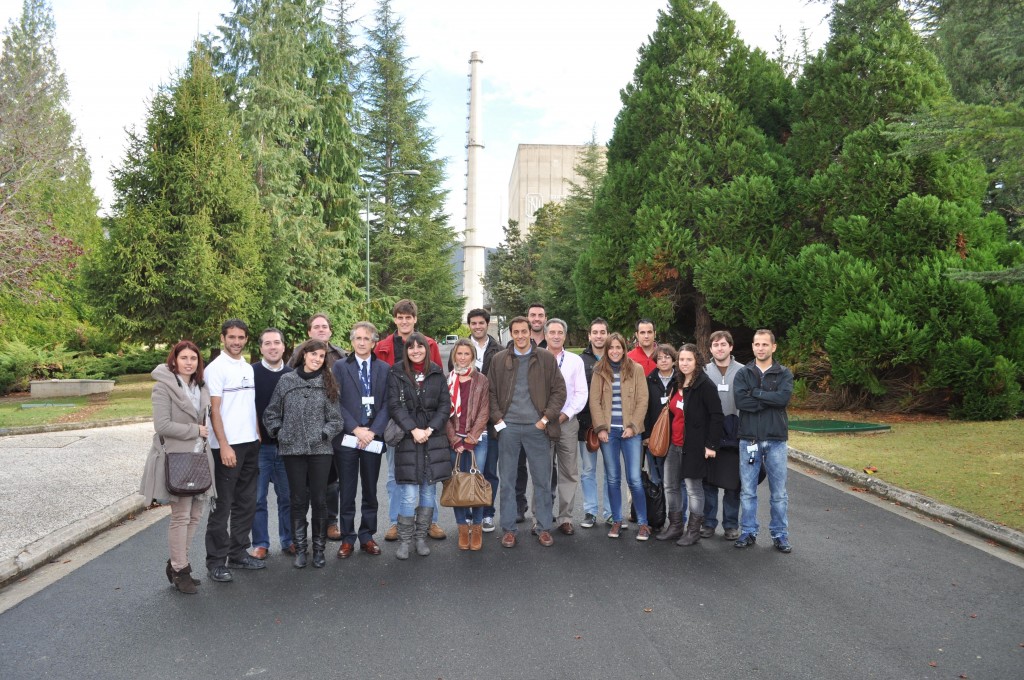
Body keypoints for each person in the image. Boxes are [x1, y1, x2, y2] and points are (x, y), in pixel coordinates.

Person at [140, 341, 214, 594]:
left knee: (195, 515)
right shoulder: (163, 387)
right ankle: (181, 569)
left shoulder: (200, 386)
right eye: (184, 357)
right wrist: (195, 430)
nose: (189, 362)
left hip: (199, 459)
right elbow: (162, 425)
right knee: (180, 516)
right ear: (174, 360)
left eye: (194, 358)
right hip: (176, 458)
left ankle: (176, 562)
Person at [263, 340, 344, 568]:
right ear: (304, 355)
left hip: (320, 450)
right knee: (297, 500)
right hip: (292, 450)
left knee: (319, 500)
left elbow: (336, 419)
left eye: (321, 356)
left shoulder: (328, 382)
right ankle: (300, 549)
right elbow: (271, 413)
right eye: (313, 355)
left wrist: (323, 434)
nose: (317, 359)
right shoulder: (286, 381)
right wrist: (279, 432)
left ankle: (318, 549)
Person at [488, 316, 566, 548]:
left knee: (542, 481)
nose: (521, 336)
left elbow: (559, 392)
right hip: (509, 429)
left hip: (537, 429)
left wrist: (544, 419)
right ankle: (509, 529)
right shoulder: (499, 359)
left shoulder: (545, 358)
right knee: (508, 481)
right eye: (516, 332)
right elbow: (490, 392)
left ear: (530, 333)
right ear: (511, 333)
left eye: (524, 331)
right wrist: (498, 420)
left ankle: (543, 527)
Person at [374, 299, 445, 542]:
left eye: (408, 317)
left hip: (425, 423)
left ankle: (431, 522)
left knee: (428, 472)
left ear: (415, 319)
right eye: (400, 317)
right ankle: (396, 521)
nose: (404, 321)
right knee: (396, 473)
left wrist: (429, 425)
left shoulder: (430, 345)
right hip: (396, 421)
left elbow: (438, 381)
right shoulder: (382, 347)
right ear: (394, 319)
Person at [205, 319, 265, 583]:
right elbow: (214, 410)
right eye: (232, 337)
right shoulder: (215, 369)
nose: (237, 341)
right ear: (223, 338)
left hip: (250, 443)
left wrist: (257, 434)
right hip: (227, 447)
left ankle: (238, 553)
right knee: (223, 506)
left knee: (246, 502)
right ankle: (216, 562)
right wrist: (224, 445)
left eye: (241, 337)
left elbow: (248, 404)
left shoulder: (246, 367)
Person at [386, 333, 452, 560]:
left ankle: (421, 537)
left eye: (420, 347)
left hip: (433, 438)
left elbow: (445, 405)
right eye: (411, 347)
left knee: (428, 490)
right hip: (407, 438)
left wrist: (429, 430)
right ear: (406, 351)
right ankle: (405, 540)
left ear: (426, 348)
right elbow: (394, 405)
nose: (416, 350)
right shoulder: (396, 372)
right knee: (408, 493)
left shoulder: (436, 371)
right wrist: (413, 429)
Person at [332, 322, 390, 559]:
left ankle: (367, 535)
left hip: (372, 439)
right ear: (352, 341)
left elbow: (388, 404)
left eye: (367, 339)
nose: (362, 342)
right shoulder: (339, 367)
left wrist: (372, 431)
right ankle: (347, 538)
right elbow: (335, 401)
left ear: (374, 342)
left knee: (370, 489)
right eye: (358, 338)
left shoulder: (384, 368)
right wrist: (356, 429)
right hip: (348, 437)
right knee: (346, 491)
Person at [734, 329, 794, 553]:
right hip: (749, 440)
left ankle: (780, 534)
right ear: (752, 347)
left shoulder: (784, 373)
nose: (761, 348)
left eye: (765, 344)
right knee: (748, 491)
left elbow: (783, 399)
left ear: (773, 347)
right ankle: (748, 531)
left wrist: (756, 394)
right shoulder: (743, 373)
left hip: (776, 440)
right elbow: (741, 401)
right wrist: (768, 399)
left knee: (778, 493)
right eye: (757, 344)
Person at [288, 313, 346, 541]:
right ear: (309, 332)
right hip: (302, 431)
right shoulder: (297, 354)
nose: (321, 330)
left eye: (325, 326)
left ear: (330, 331)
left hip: (331, 429)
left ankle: (330, 522)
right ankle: (301, 531)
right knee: (302, 485)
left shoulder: (340, 355)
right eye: (316, 326)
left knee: (331, 481)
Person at [658, 343, 723, 545]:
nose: (684, 363)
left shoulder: (705, 385)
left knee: (694, 489)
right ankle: (675, 526)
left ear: (697, 362)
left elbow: (716, 416)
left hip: (694, 447)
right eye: (682, 359)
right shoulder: (675, 383)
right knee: (670, 486)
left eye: (689, 360)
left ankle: (693, 531)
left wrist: (711, 445)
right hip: (673, 445)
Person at [589, 333, 650, 540]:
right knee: (613, 478)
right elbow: (594, 402)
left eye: (618, 347)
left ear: (624, 349)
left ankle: (643, 523)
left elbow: (643, 400)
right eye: (611, 347)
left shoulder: (636, 369)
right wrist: (601, 428)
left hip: (631, 432)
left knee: (634, 479)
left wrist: (633, 426)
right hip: (609, 432)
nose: (615, 351)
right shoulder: (599, 370)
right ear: (606, 350)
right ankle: (616, 520)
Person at [452, 308, 502, 532]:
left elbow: (489, 401)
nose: (478, 326)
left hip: (485, 429)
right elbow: (449, 406)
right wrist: (455, 437)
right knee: (461, 475)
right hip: (459, 432)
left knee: (484, 473)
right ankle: (466, 518)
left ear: (487, 324)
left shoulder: (498, 351)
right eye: (473, 323)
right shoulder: (452, 373)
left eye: (481, 322)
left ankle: (485, 515)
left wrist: (474, 434)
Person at [250, 328, 294, 560]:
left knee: (287, 497)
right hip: (260, 447)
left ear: (283, 346)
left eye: (277, 342)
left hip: (286, 448)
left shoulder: (292, 375)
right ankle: (260, 543)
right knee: (257, 499)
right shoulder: (251, 373)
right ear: (261, 348)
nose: (273, 347)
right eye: (267, 343)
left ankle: (288, 540)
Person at [445, 339, 491, 550]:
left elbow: (484, 410)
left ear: (473, 356)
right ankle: (463, 528)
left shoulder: (481, 380)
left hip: (477, 440)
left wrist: (471, 438)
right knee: (457, 483)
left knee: (476, 483)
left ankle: (478, 527)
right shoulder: (448, 380)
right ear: (454, 356)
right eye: (459, 354)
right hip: (454, 440)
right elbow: (443, 413)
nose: (462, 357)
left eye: (466, 354)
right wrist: (455, 440)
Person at [544, 318, 587, 535]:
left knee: (568, 471)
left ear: (565, 335)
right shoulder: (536, 358)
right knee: (542, 471)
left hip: (567, 423)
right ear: (545, 335)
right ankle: (540, 518)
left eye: (560, 332)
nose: (556, 336)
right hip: (542, 423)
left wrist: (564, 415)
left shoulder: (574, 361)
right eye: (552, 332)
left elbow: (581, 393)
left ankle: (565, 518)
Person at [701, 330, 742, 540]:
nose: (720, 348)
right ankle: (708, 523)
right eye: (715, 345)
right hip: (711, 434)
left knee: (732, 483)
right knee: (709, 482)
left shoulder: (744, 371)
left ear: (731, 347)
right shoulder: (704, 371)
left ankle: (731, 525)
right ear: (710, 349)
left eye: (723, 344)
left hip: (735, 434)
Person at [513, 302, 549, 522]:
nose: (536, 318)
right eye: (532, 315)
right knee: (517, 468)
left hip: (542, 421)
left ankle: (543, 512)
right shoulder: (510, 348)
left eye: (540, 315)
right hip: (516, 421)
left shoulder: (550, 343)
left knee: (544, 470)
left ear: (545, 318)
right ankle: (519, 506)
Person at [578, 318, 614, 529]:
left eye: (602, 332)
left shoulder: (616, 357)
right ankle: (590, 511)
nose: (599, 336)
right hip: (588, 426)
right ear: (589, 335)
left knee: (611, 471)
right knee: (588, 470)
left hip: (612, 426)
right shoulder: (580, 361)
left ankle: (611, 512)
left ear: (607, 334)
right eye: (595, 332)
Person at [643, 343, 678, 487]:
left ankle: (676, 510)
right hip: (654, 436)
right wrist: (646, 434)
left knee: (675, 480)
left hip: (676, 437)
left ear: (674, 360)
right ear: (655, 361)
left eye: (667, 357)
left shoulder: (681, 381)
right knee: (656, 478)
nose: (663, 361)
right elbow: (644, 409)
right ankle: (659, 509)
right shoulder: (648, 381)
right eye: (660, 358)